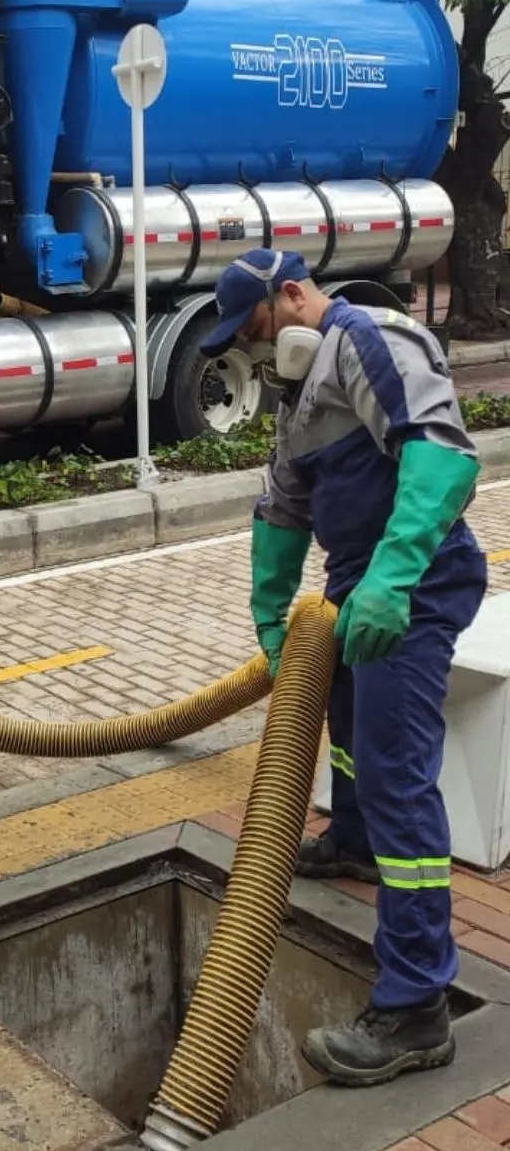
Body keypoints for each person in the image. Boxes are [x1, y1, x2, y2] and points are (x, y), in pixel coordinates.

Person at [200, 248, 488, 1087]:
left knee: (399, 777)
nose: (255, 349)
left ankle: (416, 1006)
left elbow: (442, 456)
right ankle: (356, 840)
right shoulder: (299, 395)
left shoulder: (368, 341)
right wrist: (272, 615)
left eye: (256, 327)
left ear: (293, 294)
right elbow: (284, 508)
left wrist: (393, 579)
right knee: (351, 728)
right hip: (358, 584)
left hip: (414, 582)